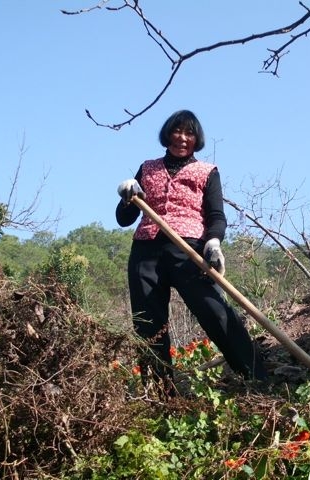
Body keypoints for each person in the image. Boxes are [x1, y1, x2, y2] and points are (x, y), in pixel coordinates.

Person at [115, 109, 267, 394]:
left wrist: (213, 243)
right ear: (167, 134)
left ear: (197, 139)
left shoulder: (207, 172)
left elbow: (216, 216)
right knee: (148, 325)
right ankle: (160, 395)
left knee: (216, 312)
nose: (182, 138)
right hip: (146, 252)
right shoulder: (147, 169)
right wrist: (127, 198)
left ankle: (257, 379)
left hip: (189, 251)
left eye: (189, 133)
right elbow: (124, 219)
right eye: (177, 131)